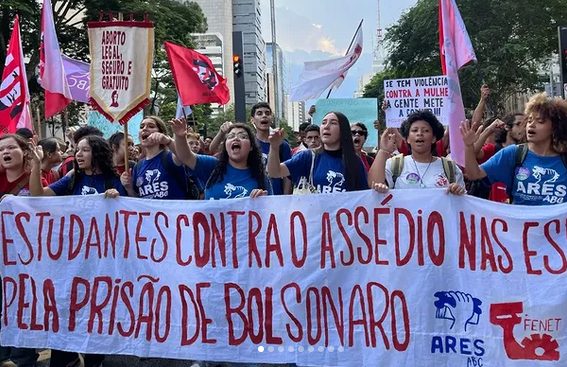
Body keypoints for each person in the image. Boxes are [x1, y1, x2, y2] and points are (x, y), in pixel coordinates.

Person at [461, 92, 567, 205]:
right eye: (530, 120)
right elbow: (474, 174)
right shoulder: (513, 153)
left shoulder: (564, 159)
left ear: (555, 127)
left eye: (540, 121)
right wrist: (468, 146)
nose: (532, 125)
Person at [0, 134, 40, 367]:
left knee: (24, 305)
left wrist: (36, 166)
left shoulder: (37, 177)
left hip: (27, 257)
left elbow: (41, 202)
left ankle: (24, 357)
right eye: (1, 149)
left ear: (23, 151)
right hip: (2, 256)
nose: (5, 152)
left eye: (11, 147)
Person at [268, 111, 368, 193]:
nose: (326, 126)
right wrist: (274, 147)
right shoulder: (308, 157)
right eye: (324, 123)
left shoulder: (355, 161)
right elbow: (274, 172)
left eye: (333, 123)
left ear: (343, 131)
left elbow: (364, 196)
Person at [369, 110, 465, 194]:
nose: (419, 133)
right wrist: (383, 151)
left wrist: (457, 191)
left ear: (434, 138)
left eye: (425, 130)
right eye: (414, 130)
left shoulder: (450, 168)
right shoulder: (395, 164)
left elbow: (463, 203)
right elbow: (374, 185)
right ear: (407, 139)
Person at [210, 102, 292, 195]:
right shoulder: (246, 143)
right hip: (251, 195)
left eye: (267, 113)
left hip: (276, 197)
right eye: (259, 113)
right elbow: (213, 150)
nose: (264, 116)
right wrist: (221, 133)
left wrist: (286, 199)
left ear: (271, 118)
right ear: (252, 119)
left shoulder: (282, 144)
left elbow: (287, 176)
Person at [175, 120, 271, 199]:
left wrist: (263, 201)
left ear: (251, 147)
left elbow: (272, 212)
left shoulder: (261, 177)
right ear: (225, 145)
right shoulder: (212, 165)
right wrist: (180, 136)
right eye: (231, 136)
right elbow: (185, 157)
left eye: (243, 136)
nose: (236, 139)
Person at [120, 115, 199, 200]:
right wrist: (129, 189)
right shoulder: (137, 167)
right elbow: (138, 202)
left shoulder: (171, 157)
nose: (144, 129)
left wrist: (168, 141)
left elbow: (186, 156)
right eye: (141, 126)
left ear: (161, 133)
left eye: (151, 126)